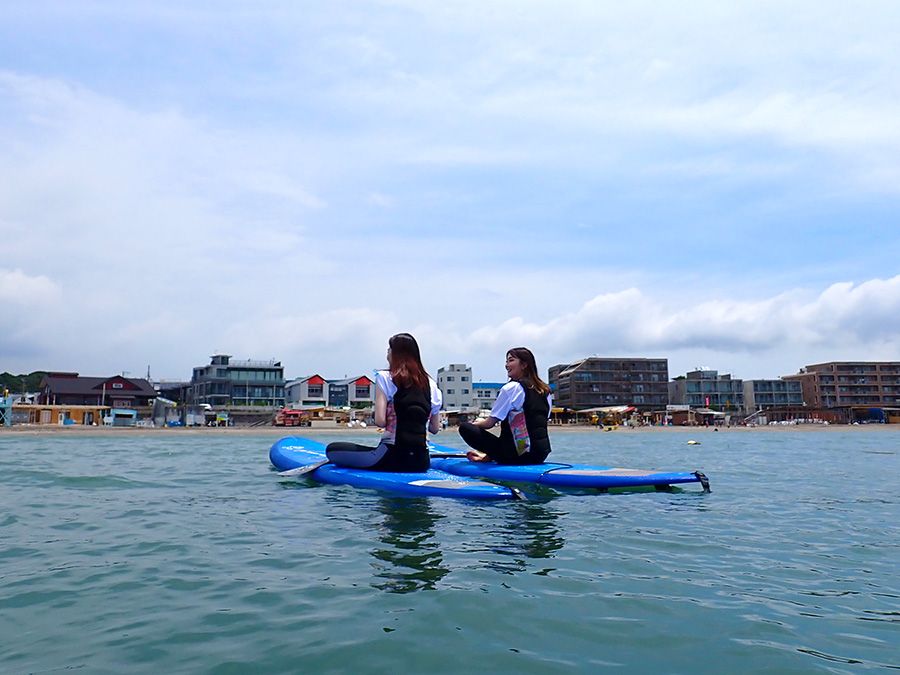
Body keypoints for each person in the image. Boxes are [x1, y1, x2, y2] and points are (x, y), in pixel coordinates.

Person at [326, 333, 442, 472]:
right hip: (421, 461)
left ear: (396, 354)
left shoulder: (385, 377)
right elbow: (434, 429)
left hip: (391, 457)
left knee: (332, 450)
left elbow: (380, 421)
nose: (387, 352)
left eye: (389, 349)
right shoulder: (431, 385)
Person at [458, 347, 552, 465]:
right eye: (506, 361)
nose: (506, 365)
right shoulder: (545, 391)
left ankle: (495, 456)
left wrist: (476, 423)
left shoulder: (511, 388)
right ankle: (491, 456)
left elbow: (489, 424)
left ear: (524, 365)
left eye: (511, 360)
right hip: (540, 454)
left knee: (465, 428)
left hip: (516, 455)